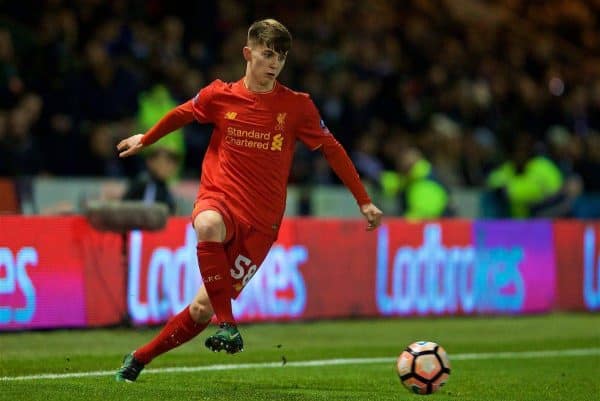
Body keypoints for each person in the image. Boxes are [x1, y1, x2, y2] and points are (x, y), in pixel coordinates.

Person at [114, 19, 383, 382]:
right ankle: (228, 323)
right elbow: (182, 113)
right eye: (268, 54)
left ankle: (140, 358)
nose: (274, 63)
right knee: (207, 224)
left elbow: (332, 150)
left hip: (262, 222)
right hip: (219, 197)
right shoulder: (219, 95)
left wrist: (363, 200)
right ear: (248, 53)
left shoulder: (297, 107)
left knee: (199, 308)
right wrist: (147, 139)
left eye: (281, 57)